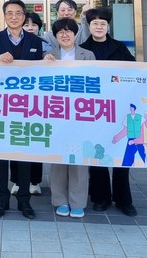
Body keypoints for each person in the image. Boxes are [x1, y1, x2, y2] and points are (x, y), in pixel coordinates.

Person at [0, 0, 44, 220]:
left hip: (26, 108)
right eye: (9, 13)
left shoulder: (35, 40)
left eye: (18, 13)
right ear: (4, 16)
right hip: (0, 107)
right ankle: (1, 200)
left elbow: (40, 71)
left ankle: (24, 200)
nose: (14, 17)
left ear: (24, 16)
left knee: (24, 154)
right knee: (0, 155)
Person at [80, 6, 138, 217]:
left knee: (121, 153)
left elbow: (134, 70)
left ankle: (123, 199)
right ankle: (101, 197)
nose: (99, 27)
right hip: (93, 110)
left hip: (118, 107)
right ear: (89, 26)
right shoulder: (82, 50)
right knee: (97, 153)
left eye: (102, 23)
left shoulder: (119, 47)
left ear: (108, 26)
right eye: (95, 23)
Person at [44, 17, 95, 219]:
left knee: (79, 161)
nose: (64, 35)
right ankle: (60, 200)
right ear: (55, 36)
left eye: (68, 31)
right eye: (60, 32)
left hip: (81, 115)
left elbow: (96, 82)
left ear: (75, 34)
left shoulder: (88, 55)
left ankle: (78, 202)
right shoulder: (48, 56)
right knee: (58, 159)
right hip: (56, 114)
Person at [6, 11, 50, 198]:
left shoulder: (43, 44)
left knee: (35, 141)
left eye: (34, 24)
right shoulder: (10, 42)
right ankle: (16, 181)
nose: (30, 27)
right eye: (27, 24)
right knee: (15, 139)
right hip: (13, 101)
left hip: (36, 102)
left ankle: (35, 181)